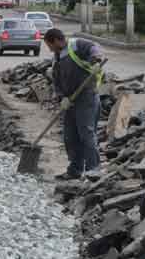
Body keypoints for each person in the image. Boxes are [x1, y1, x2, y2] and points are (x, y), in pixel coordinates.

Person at [44, 28, 106, 180]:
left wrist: (96, 60)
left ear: (57, 40)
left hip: (86, 97)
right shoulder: (57, 58)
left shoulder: (76, 45)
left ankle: (94, 169)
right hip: (69, 101)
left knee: (86, 133)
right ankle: (75, 169)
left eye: (49, 45)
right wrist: (61, 97)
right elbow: (57, 81)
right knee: (70, 136)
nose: (49, 49)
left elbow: (94, 48)